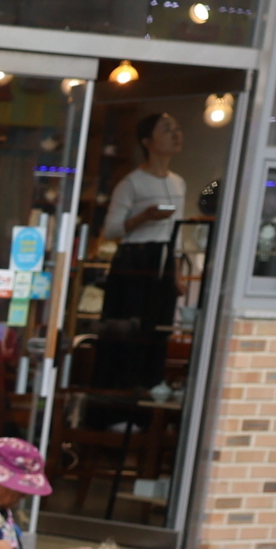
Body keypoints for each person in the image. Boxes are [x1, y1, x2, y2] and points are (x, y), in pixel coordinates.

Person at [97, 111, 189, 393]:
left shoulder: (179, 182)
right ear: (147, 141)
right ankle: (118, 398)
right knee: (129, 331)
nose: (176, 134)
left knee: (159, 329)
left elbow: (178, 232)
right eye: (166, 130)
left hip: (165, 260)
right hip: (135, 261)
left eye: (176, 128)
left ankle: (151, 389)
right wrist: (144, 217)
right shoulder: (132, 183)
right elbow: (111, 230)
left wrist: (178, 273)